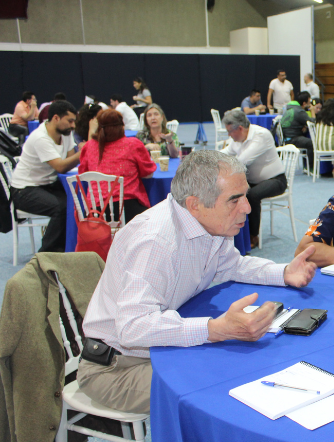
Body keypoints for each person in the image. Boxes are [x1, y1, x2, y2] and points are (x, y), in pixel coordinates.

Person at [76, 150, 317, 414]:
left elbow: (232, 265)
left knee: (244, 366)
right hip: (116, 367)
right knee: (228, 389)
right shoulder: (155, 242)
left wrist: (283, 273)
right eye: (235, 200)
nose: (247, 208)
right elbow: (132, 327)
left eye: (245, 195)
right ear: (195, 204)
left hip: (158, 351)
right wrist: (215, 329)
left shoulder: (210, 223)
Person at [8, 100, 81, 253]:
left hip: (46, 184)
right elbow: (61, 166)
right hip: (24, 190)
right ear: (55, 118)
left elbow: (70, 160)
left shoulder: (64, 133)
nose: (73, 125)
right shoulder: (40, 138)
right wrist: (84, 152)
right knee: (61, 208)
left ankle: (68, 248)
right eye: (70, 121)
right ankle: (46, 254)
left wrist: (78, 154)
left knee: (76, 202)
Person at [220, 110, 287, 248]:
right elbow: (225, 153)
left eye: (230, 132)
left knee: (251, 196)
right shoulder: (238, 139)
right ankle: (236, 232)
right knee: (233, 193)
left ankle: (253, 235)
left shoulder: (261, 135)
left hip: (276, 180)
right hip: (254, 181)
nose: (229, 135)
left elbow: (241, 161)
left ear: (239, 128)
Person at [79, 108, 157, 222]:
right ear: (122, 126)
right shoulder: (133, 144)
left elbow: (83, 174)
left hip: (97, 212)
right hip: (129, 210)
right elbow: (148, 172)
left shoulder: (89, 146)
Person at [280, 91, 314, 167]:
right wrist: (313, 111)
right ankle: (310, 167)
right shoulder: (299, 111)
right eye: (309, 102)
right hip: (293, 139)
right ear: (304, 103)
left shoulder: (289, 109)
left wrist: (304, 125)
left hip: (285, 139)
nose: (310, 105)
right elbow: (312, 122)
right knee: (311, 143)